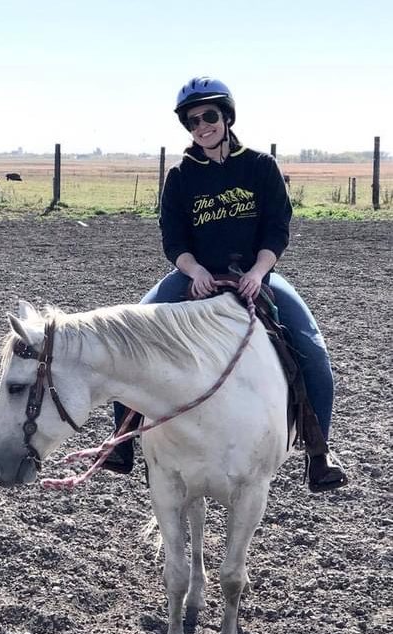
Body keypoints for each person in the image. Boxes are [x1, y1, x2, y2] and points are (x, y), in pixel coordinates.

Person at [103, 76, 347, 493]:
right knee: (132, 332)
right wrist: (193, 270)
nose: (202, 126)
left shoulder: (260, 166)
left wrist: (258, 272)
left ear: (227, 116)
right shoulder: (180, 176)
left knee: (314, 352)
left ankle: (319, 453)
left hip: (256, 275)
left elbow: (277, 230)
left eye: (209, 116)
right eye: (193, 121)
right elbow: (173, 238)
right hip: (194, 275)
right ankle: (121, 442)